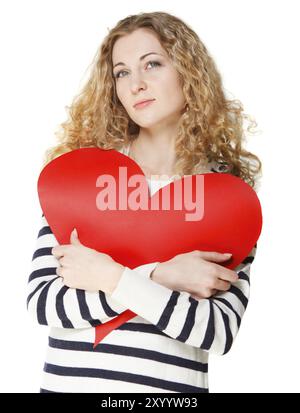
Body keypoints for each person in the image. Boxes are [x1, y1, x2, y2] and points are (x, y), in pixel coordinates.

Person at [27, 11, 261, 393]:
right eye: (122, 72)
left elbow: (216, 333)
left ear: (188, 72)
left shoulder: (226, 198)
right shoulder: (81, 179)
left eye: (152, 64)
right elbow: (46, 303)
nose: (136, 84)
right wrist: (160, 275)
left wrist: (107, 276)